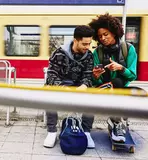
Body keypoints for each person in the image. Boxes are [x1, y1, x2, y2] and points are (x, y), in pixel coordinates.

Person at [88, 13, 138, 143]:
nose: (103, 38)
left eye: (106, 34)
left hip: (119, 88)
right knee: (115, 84)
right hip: (103, 89)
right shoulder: (97, 52)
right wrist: (95, 76)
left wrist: (121, 68)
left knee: (118, 82)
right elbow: (94, 81)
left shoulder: (128, 49)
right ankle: (117, 123)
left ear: (114, 33)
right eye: (100, 36)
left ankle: (116, 121)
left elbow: (133, 75)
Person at [43, 25, 95, 148]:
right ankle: (52, 131)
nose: (87, 47)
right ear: (75, 40)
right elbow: (51, 75)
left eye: (89, 44)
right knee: (47, 92)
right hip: (60, 85)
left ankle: (86, 132)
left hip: (78, 87)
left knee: (93, 96)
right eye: (84, 44)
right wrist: (62, 88)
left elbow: (88, 76)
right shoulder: (59, 53)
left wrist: (84, 85)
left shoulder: (89, 56)